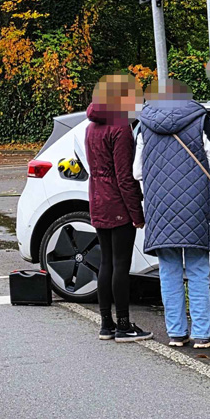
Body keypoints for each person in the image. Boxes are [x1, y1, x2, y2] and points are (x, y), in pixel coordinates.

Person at [134, 79, 210, 349]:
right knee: (197, 271)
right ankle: (203, 334)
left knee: (168, 271)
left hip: (159, 207)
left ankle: (176, 333)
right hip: (196, 204)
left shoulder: (143, 125)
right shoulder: (201, 120)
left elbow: (137, 171)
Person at [84, 73, 152, 342]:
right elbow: (125, 177)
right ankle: (124, 325)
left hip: (98, 199)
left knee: (106, 262)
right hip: (118, 203)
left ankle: (106, 324)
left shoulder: (91, 126)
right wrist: (137, 213)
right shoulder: (120, 128)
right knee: (121, 263)